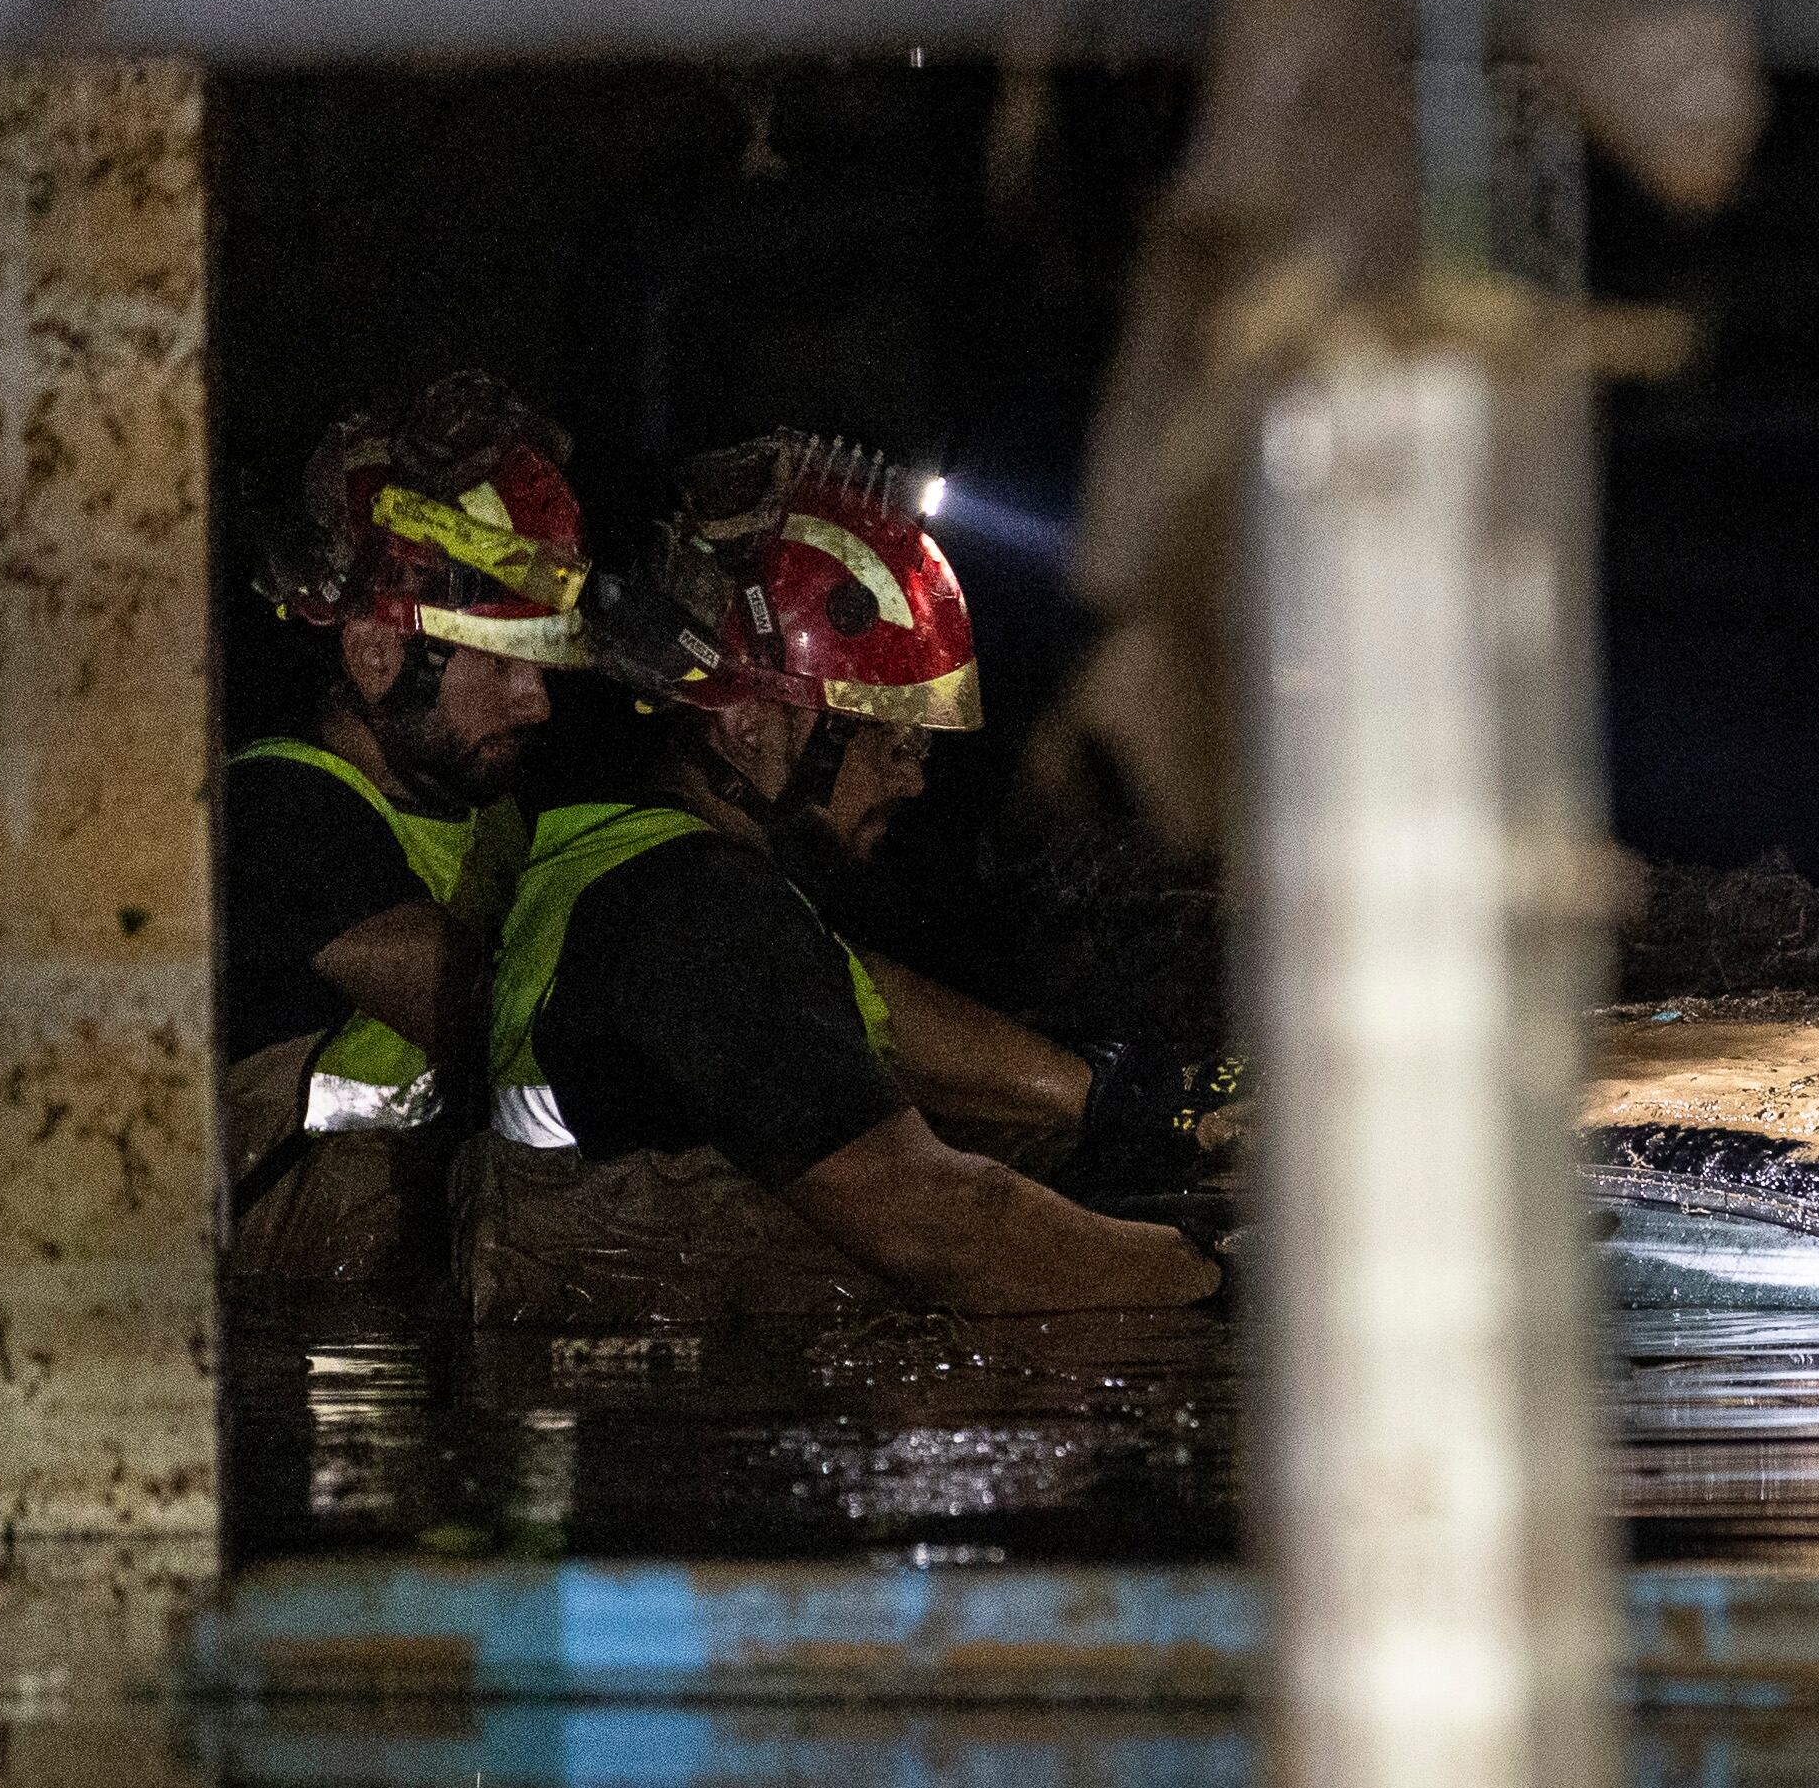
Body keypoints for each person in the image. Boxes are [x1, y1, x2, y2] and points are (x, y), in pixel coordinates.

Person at [461, 431, 1232, 1324]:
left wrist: (1126, 1102)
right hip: (648, 1426)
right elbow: (941, 1227)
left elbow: (868, 1008)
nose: (910, 779)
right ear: (750, 723)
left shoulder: (627, 860)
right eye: (887, 738)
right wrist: (1221, 1274)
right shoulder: (698, 912)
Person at [221, 375, 596, 1285]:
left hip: (393, 1304)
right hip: (284, 1342)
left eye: (545, 663)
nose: (537, 702)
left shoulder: (496, 816)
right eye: (506, 661)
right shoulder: (275, 811)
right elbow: (498, 1015)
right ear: (378, 651)